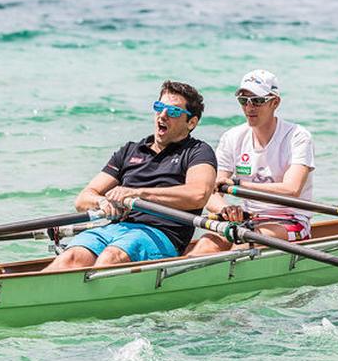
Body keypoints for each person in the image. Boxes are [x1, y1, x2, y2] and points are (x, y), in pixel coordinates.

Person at [43, 81, 217, 271]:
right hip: (115, 228)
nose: (163, 115)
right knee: (70, 257)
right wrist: (102, 202)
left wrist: (138, 194)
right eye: (159, 107)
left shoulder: (198, 152)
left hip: (160, 234)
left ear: (191, 122)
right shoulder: (129, 150)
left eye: (173, 112)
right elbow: (83, 199)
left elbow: (198, 195)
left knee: (111, 258)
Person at [186, 69, 315, 256]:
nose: (249, 107)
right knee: (206, 244)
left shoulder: (297, 137)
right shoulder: (232, 137)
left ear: (275, 102)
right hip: (247, 220)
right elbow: (211, 191)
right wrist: (227, 209)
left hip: (290, 220)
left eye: (257, 100)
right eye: (243, 100)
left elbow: (292, 189)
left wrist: (238, 184)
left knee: (243, 245)